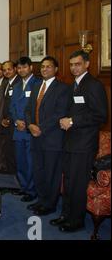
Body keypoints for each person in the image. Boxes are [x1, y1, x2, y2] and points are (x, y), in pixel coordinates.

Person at [52, 51, 108, 232]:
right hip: (69, 142)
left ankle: (76, 221)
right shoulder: (73, 86)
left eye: (77, 64)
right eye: (71, 65)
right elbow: (72, 110)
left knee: (77, 183)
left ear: (87, 64)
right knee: (67, 181)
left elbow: (100, 115)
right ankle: (66, 215)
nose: (74, 68)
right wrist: (64, 119)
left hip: (84, 145)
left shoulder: (94, 85)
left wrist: (73, 121)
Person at [24, 56, 70, 216]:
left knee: (51, 172)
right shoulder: (37, 86)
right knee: (39, 170)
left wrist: (40, 128)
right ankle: (42, 200)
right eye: (42, 66)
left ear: (56, 69)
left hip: (52, 138)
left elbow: (60, 113)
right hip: (35, 136)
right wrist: (30, 125)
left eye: (48, 67)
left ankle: (50, 204)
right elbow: (28, 109)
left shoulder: (63, 88)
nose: (44, 69)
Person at [10, 57, 42, 202]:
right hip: (18, 129)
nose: (21, 70)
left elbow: (38, 108)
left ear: (31, 68)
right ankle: (22, 186)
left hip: (31, 130)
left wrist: (27, 122)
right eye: (19, 68)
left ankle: (31, 189)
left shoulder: (38, 84)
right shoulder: (16, 86)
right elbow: (12, 107)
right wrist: (16, 121)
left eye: (24, 67)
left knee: (31, 161)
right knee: (20, 160)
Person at [0, 61, 20, 174]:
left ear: (15, 69)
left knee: (14, 152)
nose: (6, 72)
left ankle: (15, 176)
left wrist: (9, 118)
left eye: (9, 69)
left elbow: (17, 104)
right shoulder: (6, 83)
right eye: (4, 70)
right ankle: (10, 174)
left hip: (14, 123)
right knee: (8, 150)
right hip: (6, 123)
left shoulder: (18, 83)